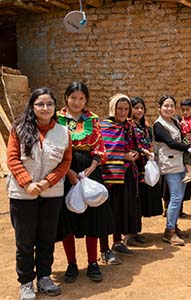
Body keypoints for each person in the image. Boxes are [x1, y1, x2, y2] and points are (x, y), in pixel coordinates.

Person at [7, 88, 71, 300]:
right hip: (22, 195)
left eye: (49, 104)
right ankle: (26, 282)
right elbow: (13, 159)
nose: (45, 108)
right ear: (32, 107)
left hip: (51, 194)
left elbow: (65, 162)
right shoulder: (19, 129)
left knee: (46, 238)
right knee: (25, 241)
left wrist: (46, 182)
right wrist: (27, 184)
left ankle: (44, 277)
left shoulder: (63, 132)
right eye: (40, 104)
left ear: (55, 107)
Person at [56, 81, 113, 283]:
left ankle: (92, 263)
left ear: (86, 100)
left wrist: (93, 165)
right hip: (64, 171)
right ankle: (71, 264)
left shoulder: (93, 119)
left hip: (89, 171)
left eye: (81, 98)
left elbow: (99, 146)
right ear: (66, 98)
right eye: (73, 97)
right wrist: (68, 171)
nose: (77, 102)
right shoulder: (57, 118)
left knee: (92, 217)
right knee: (67, 218)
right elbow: (54, 148)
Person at [100, 94, 149, 261]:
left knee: (121, 209)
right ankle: (104, 248)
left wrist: (135, 153)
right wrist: (123, 155)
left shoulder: (129, 126)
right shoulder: (105, 126)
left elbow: (137, 145)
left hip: (127, 174)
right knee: (108, 212)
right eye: (119, 108)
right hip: (110, 176)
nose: (122, 112)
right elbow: (104, 151)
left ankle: (117, 242)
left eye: (126, 109)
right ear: (113, 108)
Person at [153, 95, 191, 246]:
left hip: (180, 163)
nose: (168, 109)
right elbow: (170, 142)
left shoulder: (175, 122)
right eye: (166, 106)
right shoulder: (159, 125)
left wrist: (190, 141)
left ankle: (174, 226)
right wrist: (187, 147)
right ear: (160, 108)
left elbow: (182, 137)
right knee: (176, 197)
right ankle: (169, 231)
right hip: (170, 165)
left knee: (179, 196)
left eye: (171, 106)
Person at [131, 97, 163, 226]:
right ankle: (130, 233)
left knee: (142, 200)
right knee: (134, 199)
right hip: (134, 165)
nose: (139, 110)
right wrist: (142, 151)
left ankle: (136, 231)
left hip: (146, 165)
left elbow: (150, 143)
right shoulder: (129, 125)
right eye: (136, 108)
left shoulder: (146, 126)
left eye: (141, 108)